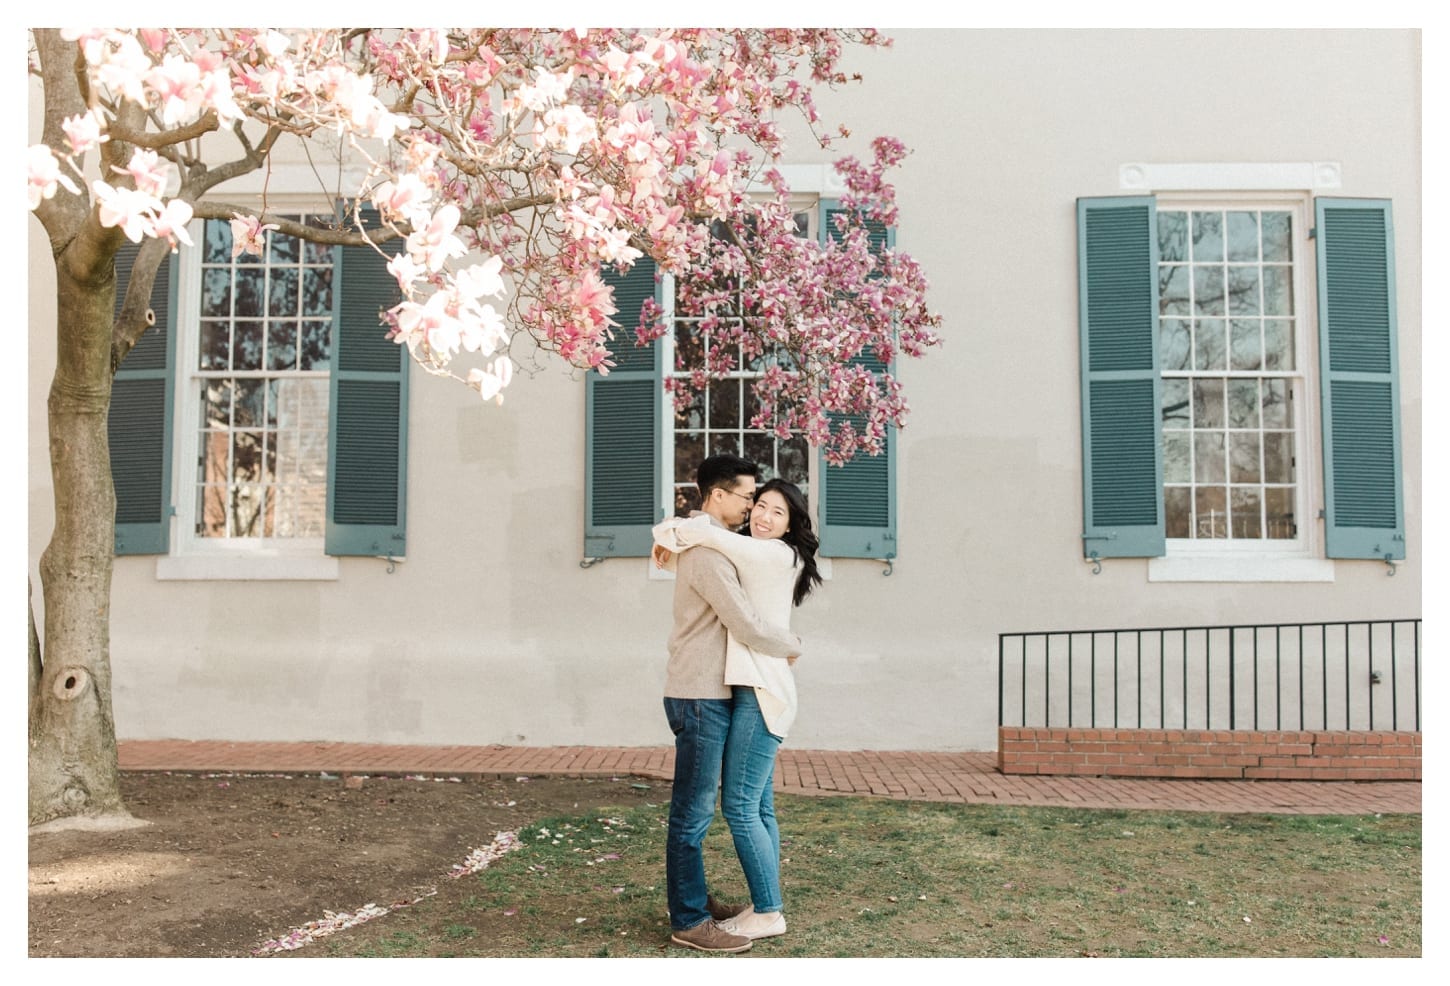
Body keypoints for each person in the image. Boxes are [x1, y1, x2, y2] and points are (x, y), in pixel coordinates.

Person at [653, 477, 823, 943]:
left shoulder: (776, 553)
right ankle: (766, 904)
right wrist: (669, 546)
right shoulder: (752, 550)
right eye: (759, 506)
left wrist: (670, 538)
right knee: (759, 806)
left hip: (761, 689)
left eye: (776, 512)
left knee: (741, 807)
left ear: (792, 526)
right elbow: (707, 542)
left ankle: (768, 911)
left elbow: (706, 535)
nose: (763, 516)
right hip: (754, 688)